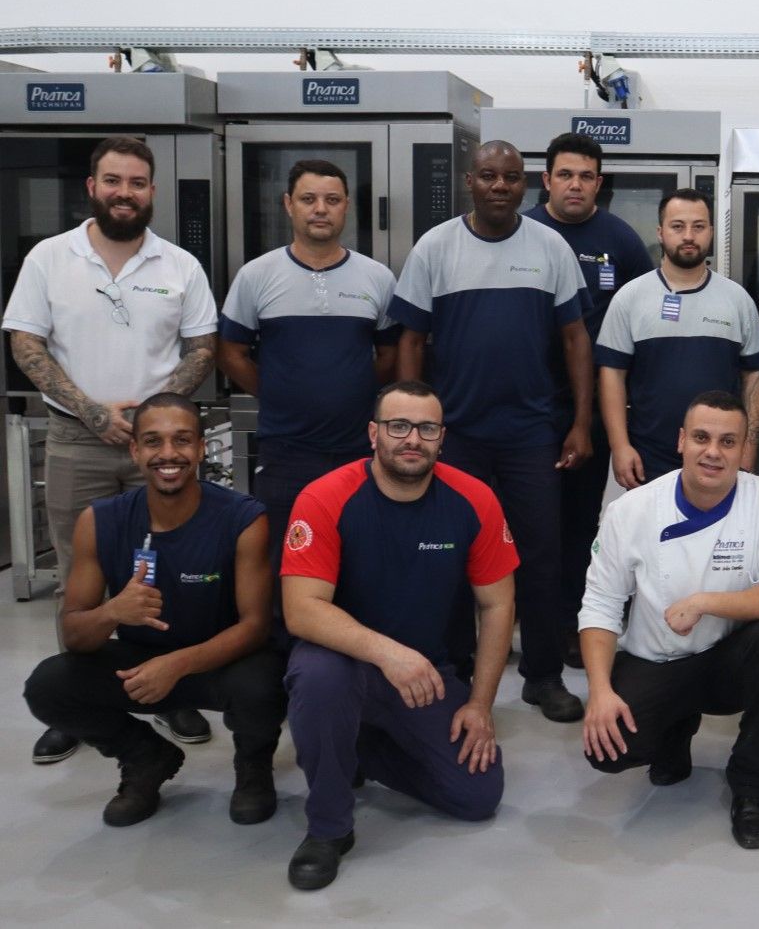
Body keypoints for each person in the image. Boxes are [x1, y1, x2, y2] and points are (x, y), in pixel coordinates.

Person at [4, 136, 218, 764]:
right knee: (82, 572)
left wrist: (151, 422)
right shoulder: (50, 257)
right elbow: (25, 342)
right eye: (114, 181)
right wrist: (96, 413)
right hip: (77, 438)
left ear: (153, 192)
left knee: (168, 568)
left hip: (164, 448)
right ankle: (80, 700)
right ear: (92, 188)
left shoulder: (179, 265)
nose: (126, 193)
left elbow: (203, 347)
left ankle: (171, 689)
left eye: (138, 183)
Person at [280, 381, 517, 891]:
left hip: (427, 674)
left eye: (427, 428)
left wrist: (480, 705)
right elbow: (301, 611)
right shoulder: (324, 498)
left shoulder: (474, 499)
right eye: (399, 426)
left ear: (441, 439)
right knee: (321, 681)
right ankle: (329, 827)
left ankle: (354, 749)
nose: (413, 438)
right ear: (373, 434)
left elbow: (497, 605)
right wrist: (387, 654)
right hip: (341, 664)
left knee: (477, 796)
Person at [390, 140, 591, 723]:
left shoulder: (550, 247)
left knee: (540, 556)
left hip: (532, 433)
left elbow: (576, 339)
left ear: (525, 185)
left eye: (509, 177)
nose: (499, 186)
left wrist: (580, 423)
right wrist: (411, 425)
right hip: (456, 438)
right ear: (469, 183)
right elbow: (409, 340)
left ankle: (543, 674)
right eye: (487, 176)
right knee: (450, 554)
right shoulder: (435, 247)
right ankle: (453, 668)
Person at [23, 393, 282, 828]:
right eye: (153, 441)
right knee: (48, 685)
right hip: (140, 661)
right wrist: (112, 613)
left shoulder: (243, 518)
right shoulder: (100, 520)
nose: (168, 454)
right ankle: (146, 757)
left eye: (182, 440)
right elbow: (75, 635)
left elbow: (255, 627)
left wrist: (177, 665)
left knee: (266, 684)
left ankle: (254, 766)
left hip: (220, 660)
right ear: (135, 450)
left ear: (202, 448)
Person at [579, 392, 759, 849]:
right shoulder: (631, 510)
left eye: (729, 442)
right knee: (608, 752)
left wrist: (707, 602)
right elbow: (601, 605)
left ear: (744, 449)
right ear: (682, 441)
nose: (713, 452)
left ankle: (750, 784)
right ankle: (674, 730)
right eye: (702, 438)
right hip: (655, 660)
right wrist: (600, 692)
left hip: (726, 662)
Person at [218, 159, 399, 573]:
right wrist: (278, 391)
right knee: (288, 559)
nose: (321, 208)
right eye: (309, 199)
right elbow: (229, 351)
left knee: (361, 558)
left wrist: (352, 393)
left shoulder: (377, 278)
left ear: (346, 207)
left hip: (359, 449)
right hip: (286, 451)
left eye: (332, 200)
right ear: (288, 205)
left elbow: (391, 355)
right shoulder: (256, 276)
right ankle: (286, 639)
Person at [529, 132, 657, 674]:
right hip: (530, 406)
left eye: (586, 176)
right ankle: (523, 628)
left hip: (593, 408)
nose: (575, 184)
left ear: (599, 184)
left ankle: (567, 632)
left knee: (581, 525)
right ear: (547, 180)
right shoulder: (525, 232)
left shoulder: (620, 240)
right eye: (565, 174)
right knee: (532, 526)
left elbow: (640, 315)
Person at [596, 189, 759, 488]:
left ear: (711, 232)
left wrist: (747, 448)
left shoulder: (737, 300)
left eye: (698, 226)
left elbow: (755, 377)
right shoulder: (630, 298)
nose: (689, 235)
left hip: (721, 457)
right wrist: (620, 447)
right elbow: (611, 375)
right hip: (649, 458)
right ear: (660, 233)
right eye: (678, 226)